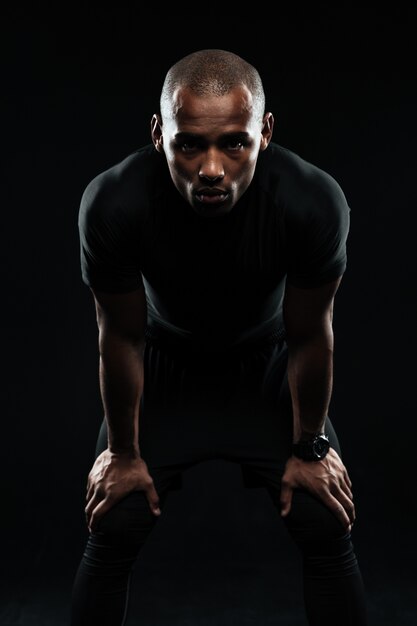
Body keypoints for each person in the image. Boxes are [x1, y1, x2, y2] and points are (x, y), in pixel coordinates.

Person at [71, 49, 367, 625]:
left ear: (266, 133)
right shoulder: (114, 202)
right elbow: (121, 337)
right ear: (160, 136)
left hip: (265, 369)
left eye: (234, 142)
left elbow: (310, 335)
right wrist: (125, 455)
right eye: (190, 145)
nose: (211, 169)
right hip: (164, 367)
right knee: (117, 515)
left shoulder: (310, 201)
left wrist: (310, 448)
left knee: (322, 514)